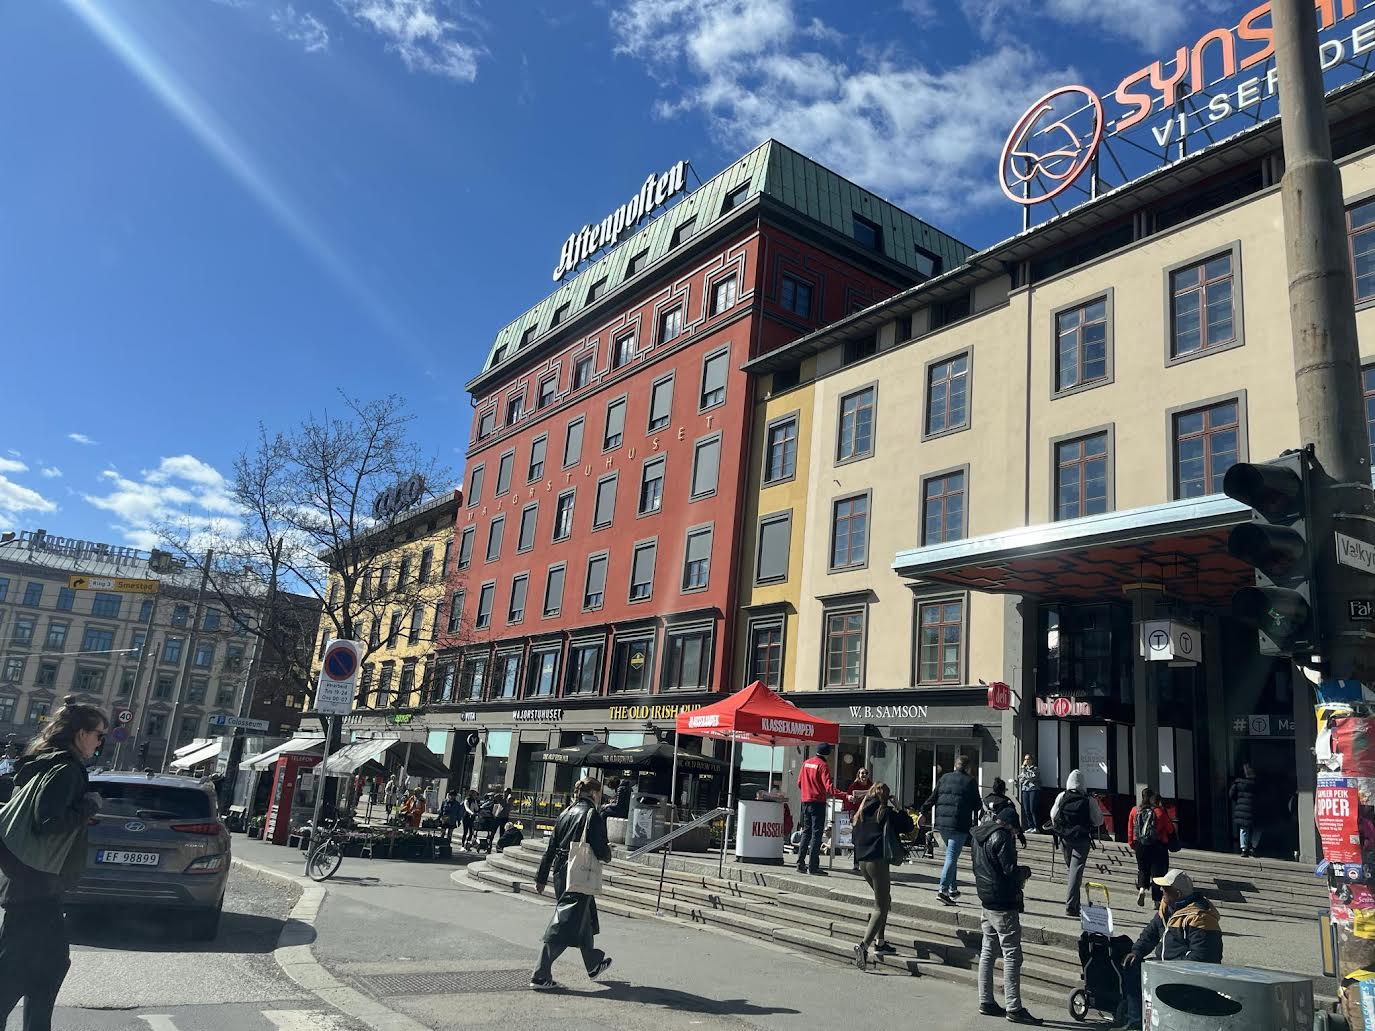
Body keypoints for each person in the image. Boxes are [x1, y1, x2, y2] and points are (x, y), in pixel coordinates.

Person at [0, 696, 107, 1031]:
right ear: (81, 734)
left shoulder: (45, 763)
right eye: (98, 734)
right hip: (36, 885)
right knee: (24, 967)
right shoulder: (66, 770)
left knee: (46, 966)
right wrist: (88, 807)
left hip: (27, 880)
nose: (100, 742)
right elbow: (48, 822)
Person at [530, 777, 614, 990]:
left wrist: (541, 877)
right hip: (578, 872)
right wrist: (608, 854)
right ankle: (540, 974)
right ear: (594, 793)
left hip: (561, 871)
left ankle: (593, 963)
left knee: (583, 917)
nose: (600, 798)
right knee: (565, 922)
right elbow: (600, 848)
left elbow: (550, 847)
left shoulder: (566, 812)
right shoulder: (591, 814)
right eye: (599, 794)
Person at [1118, 870, 1223, 1029]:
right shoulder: (1167, 908)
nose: (1162, 891)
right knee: (1132, 966)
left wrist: (1168, 968)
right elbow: (1150, 934)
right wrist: (1137, 951)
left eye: (1166, 889)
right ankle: (1135, 1023)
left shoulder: (1200, 917)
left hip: (1187, 976)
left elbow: (1202, 958)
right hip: (1165, 969)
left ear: (1178, 894)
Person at [972, 802, 1041, 1025]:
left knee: (988, 951)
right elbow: (1009, 870)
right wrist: (1025, 872)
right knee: (1012, 955)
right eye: (1014, 830)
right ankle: (1014, 1007)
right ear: (1009, 825)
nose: (1014, 835)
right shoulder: (1001, 837)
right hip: (1003, 902)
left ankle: (985, 1000)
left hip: (986, 900)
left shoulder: (979, 834)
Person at [850, 782, 913, 969]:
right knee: (881, 905)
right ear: (886, 797)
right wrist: (899, 807)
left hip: (863, 862)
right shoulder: (885, 812)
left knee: (885, 899)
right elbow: (908, 826)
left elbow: (854, 838)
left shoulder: (860, 814)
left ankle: (881, 942)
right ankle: (863, 946)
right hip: (877, 862)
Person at [923, 753, 981, 905]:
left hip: (942, 824)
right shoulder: (970, 781)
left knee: (951, 856)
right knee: (951, 858)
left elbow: (933, 797)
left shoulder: (944, 778)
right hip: (959, 825)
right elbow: (978, 805)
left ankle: (952, 889)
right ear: (968, 767)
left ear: (956, 765)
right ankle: (942, 891)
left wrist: (923, 812)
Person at [1050, 769, 1102, 917]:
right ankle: (1071, 906)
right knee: (1075, 871)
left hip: (1065, 839)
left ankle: (1075, 904)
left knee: (1072, 871)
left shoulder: (1062, 796)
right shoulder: (1088, 800)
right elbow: (1098, 820)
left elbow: (1053, 815)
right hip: (1082, 839)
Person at [796, 743, 845, 876]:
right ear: (827, 753)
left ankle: (800, 863)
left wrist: (807, 792)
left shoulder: (806, 763)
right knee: (816, 834)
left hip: (805, 801)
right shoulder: (823, 765)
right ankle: (813, 867)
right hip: (817, 802)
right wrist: (844, 795)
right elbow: (829, 787)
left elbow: (799, 783)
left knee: (806, 832)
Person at [1127, 788, 1174, 907]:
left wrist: (1132, 843)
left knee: (1143, 869)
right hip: (1157, 845)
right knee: (1157, 873)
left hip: (1140, 845)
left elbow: (1130, 829)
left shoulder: (1135, 810)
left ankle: (1142, 889)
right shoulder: (1159, 812)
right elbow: (1169, 829)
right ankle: (1156, 901)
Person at [843, 768, 873, 870]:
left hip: (868, 815)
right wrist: (851, 812)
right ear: (858, 775)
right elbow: (848, 800)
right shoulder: (853, 786)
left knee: (868, 839)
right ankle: (856, 863)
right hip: (857, 815)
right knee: (858, 839)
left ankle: (867, 863)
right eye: (862, 773)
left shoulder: (871, 786)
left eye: (866, 773)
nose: (864, 775)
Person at [984, 778, 1027, 847]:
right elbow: (1014, 818)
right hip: (1003, 834)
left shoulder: (985, 800)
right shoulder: (1007, 802)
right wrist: (1020, 835)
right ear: (1003, 790)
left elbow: (981, 816)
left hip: (986, 832)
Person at [1229, 763, 1258, 857]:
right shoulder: (1257, 783)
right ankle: (1253, 847)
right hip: (1255, 808)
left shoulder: (1238, 783)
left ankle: (1244, 849)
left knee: (1244, 828)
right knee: (1258, 827)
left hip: (1242, 808)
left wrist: (1239, 802)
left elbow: (1231, 794)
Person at [1016, 756, 1040, 833]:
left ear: (1031, 760)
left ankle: (1036, 827)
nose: (1026, 761)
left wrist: (1025, 773)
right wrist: (1023, 775)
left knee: (1032, 808)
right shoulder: (1024, 770)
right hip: (1025, 790)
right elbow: (1021, 779)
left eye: (1028, 759)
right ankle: (1030, 826)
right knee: (1026, 809)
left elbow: (1031, 778)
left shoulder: (1035, 769)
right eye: (1025, 759)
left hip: (1033, 789)